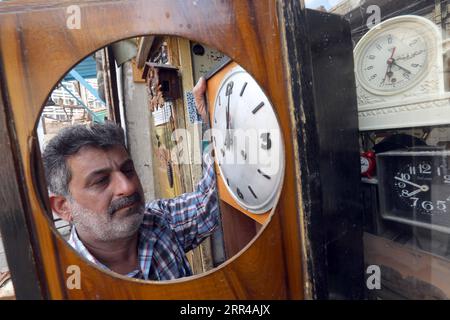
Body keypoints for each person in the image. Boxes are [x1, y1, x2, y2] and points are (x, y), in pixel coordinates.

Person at [42, 78, 219, 281]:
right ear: (63, 207)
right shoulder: (65, 283)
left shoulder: (158, 222)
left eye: (127, 170)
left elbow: (208, 201)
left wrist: (208, 118)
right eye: (100, 181)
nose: (127, 187)